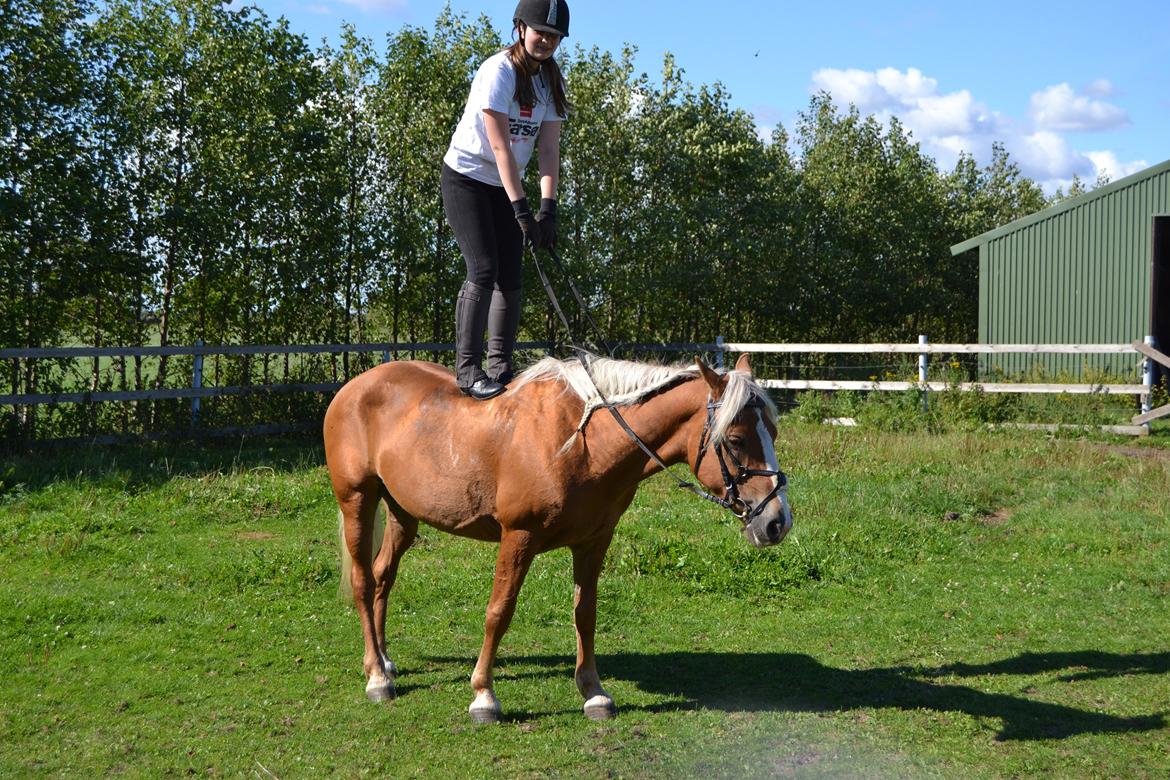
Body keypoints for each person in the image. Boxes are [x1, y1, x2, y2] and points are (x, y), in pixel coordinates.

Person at [441, 0, 570, 400]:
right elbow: (499, 148)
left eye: (554, 36)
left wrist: (547, 210)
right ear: (520, 29)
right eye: (540, 32)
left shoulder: (550, 81)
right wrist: (522, 211)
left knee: (511, 275)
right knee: (483, 267)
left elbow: (548, 150)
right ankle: (467, 370)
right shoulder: (498, 71)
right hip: (468, 178)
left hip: (506, 185)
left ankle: (501, 368)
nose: (546, 41)